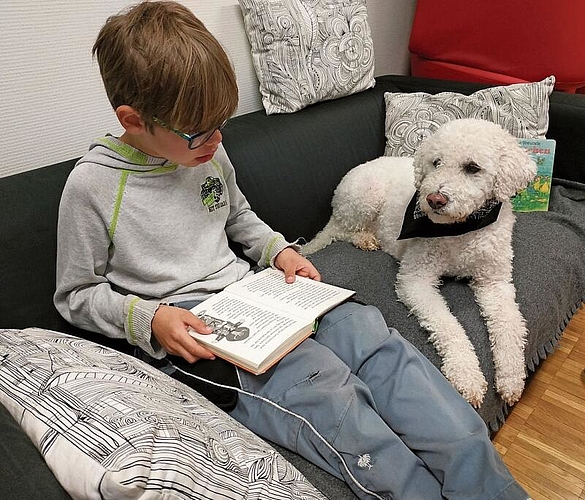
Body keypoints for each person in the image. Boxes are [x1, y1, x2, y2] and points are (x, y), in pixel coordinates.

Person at [54, 2, 529, 499]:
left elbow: (238, 218)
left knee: (375, 342)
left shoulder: (206, 152)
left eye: (222, 125)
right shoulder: (92, 187)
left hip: (259, 293)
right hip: (197, 327)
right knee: (325, 393)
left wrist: (279, 252)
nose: (215, 141)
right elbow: (77, 294)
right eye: (199, 131)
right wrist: (150, 319)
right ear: (132, 120)